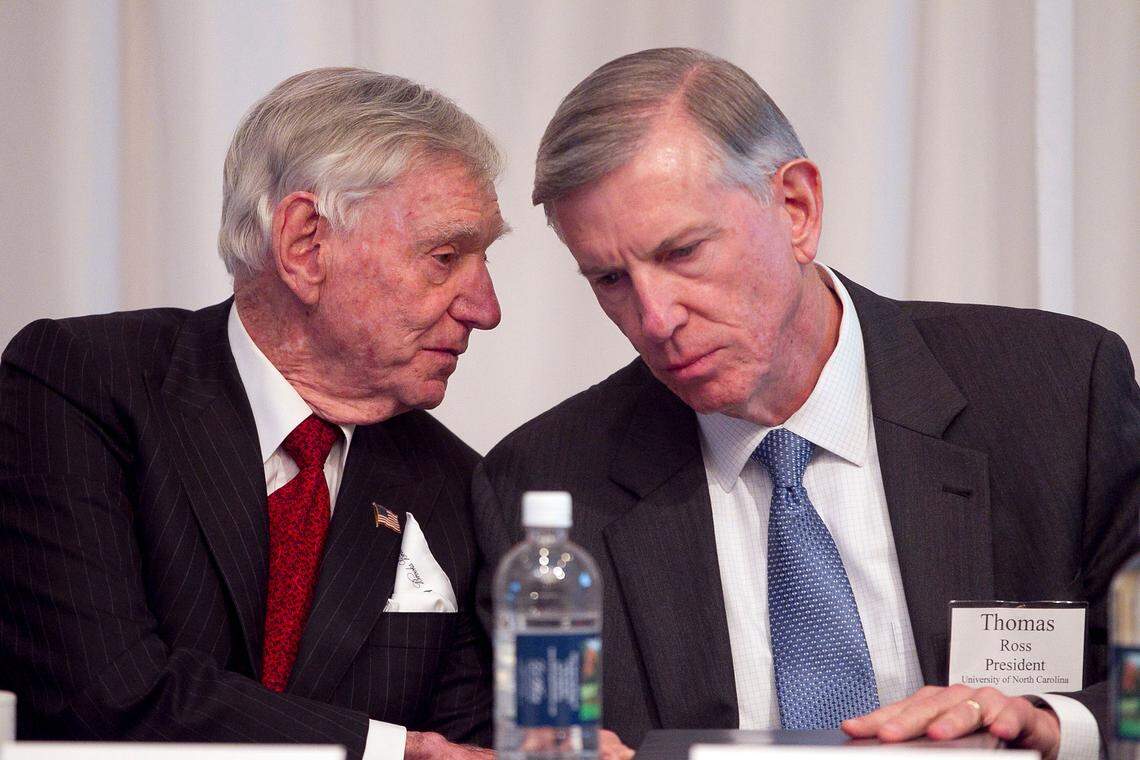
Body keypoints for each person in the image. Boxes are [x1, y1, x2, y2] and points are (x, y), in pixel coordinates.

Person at [472, 48, 1139, 759]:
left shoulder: (1057, 392)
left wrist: (1051, 724)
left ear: (797, 208)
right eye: (610, 279)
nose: (656, 318)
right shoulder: (542, 483)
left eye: (683, 252)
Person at [0, 68, 507, 760]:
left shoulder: (457, 486)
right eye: (445, 257)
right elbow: (107, 696)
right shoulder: (81, 385)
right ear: (305, 245)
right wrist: (389, 749)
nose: (486, 309)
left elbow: (468, 750)